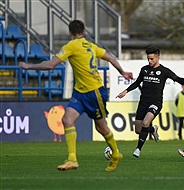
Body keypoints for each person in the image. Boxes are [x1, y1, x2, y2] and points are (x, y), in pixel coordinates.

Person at [19, 20, 133, 172]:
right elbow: (111, 58)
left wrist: (29, 66)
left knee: (102, 128)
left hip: (94, 92)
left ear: (70, 33)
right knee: (67, 120)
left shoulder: (71, 46)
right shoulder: (91, 46)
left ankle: (116, 153)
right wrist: (123, 72)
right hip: (80, 92)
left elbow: (50, 65)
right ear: (84, 32)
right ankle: (72, 159)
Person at [116, 46, 184, 158]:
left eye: (152, 59)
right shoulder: (144, 69)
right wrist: (125, 91)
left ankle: (138, 149)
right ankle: (153, 129)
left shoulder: (164, 71)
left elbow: (176, 78)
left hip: (156, 102)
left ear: (158, 57)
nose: (149, 61)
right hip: (143, 102)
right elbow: (137, 82)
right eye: (148, 58)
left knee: (145, 123)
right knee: (138, 130)